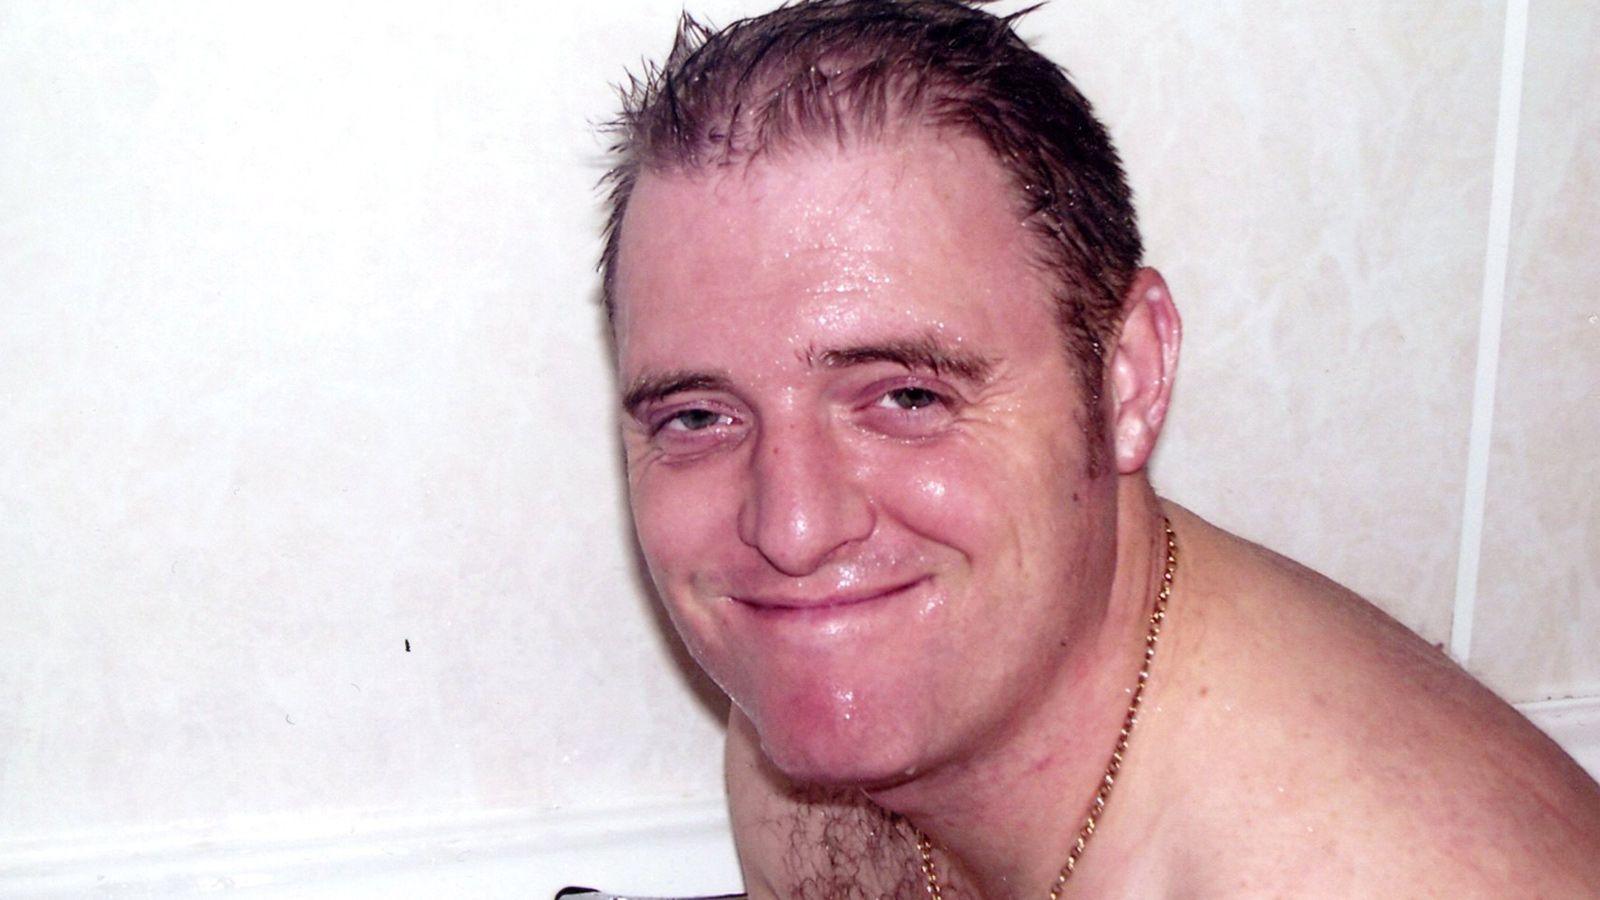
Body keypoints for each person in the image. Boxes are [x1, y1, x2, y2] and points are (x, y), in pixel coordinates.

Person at [597, 1, 1600, 895]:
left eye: (905, 395)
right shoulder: (816, 676)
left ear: (1126, 375)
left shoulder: (1374, 872)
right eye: (697, 418)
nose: (792, 529)